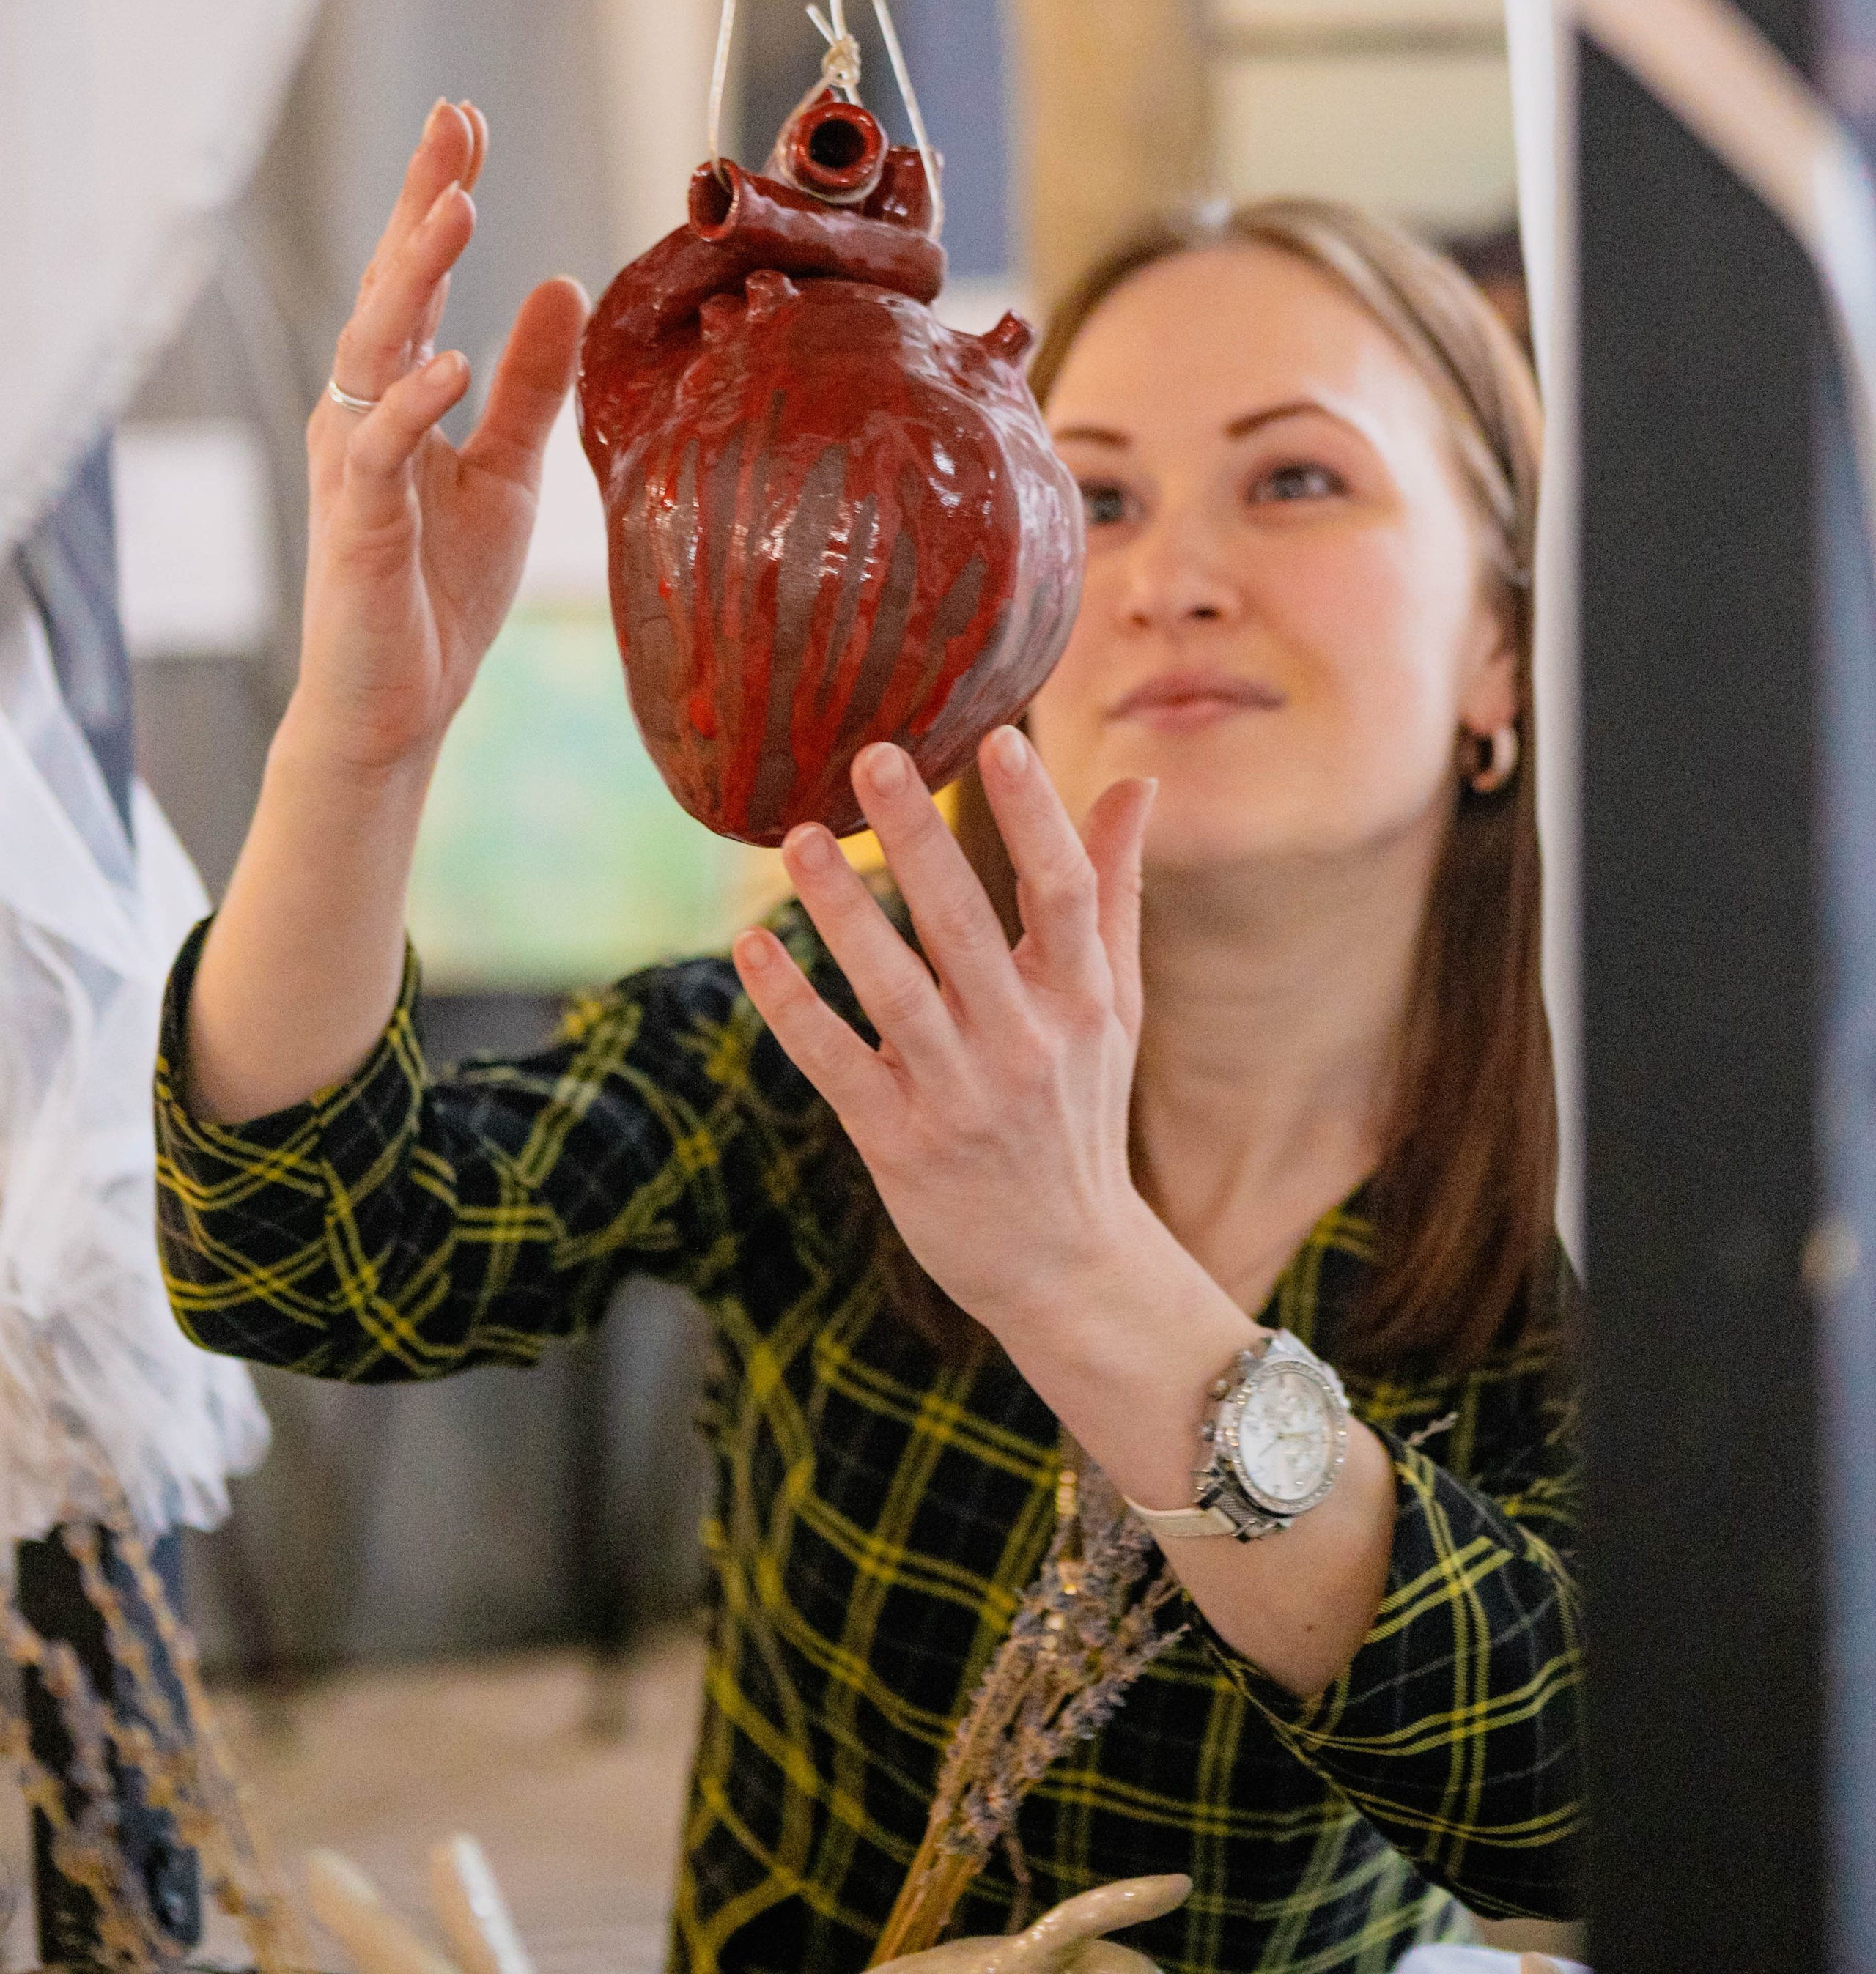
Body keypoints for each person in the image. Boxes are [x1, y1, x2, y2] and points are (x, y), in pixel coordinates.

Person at [154, 102, 1581, 1973]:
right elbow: (302, 1254)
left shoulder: (1600, 1194)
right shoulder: (844, 1026)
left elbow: (1578, 1803)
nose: (1167, 577)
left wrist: (1079, 1275)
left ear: (1501, 647)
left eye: (1295, 481)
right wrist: (356, 751)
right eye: (1096, 495)